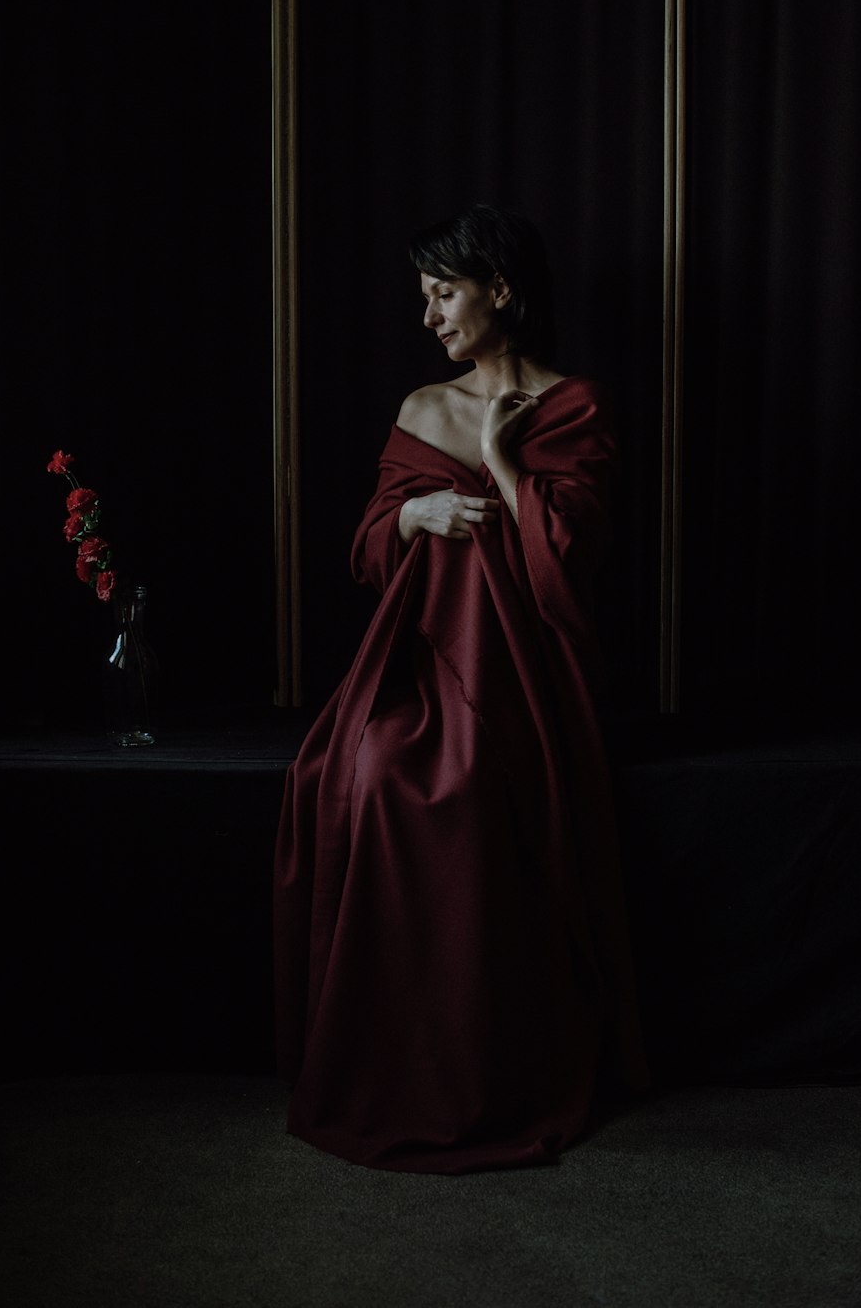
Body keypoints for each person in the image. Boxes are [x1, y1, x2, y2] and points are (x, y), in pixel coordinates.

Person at [273, 203, 648, 1174]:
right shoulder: (417, 406)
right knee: (356, 778)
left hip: (526, 667)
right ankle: (389, 1057)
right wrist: (412, 517)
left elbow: (566, 562)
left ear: (501, 291)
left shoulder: (578, 406)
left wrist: (497, 464)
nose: (430, 316)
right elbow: (363, 547)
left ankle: (487, 1066)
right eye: (426, 297)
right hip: (418, 657)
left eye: (445, 294)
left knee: (475, 794)